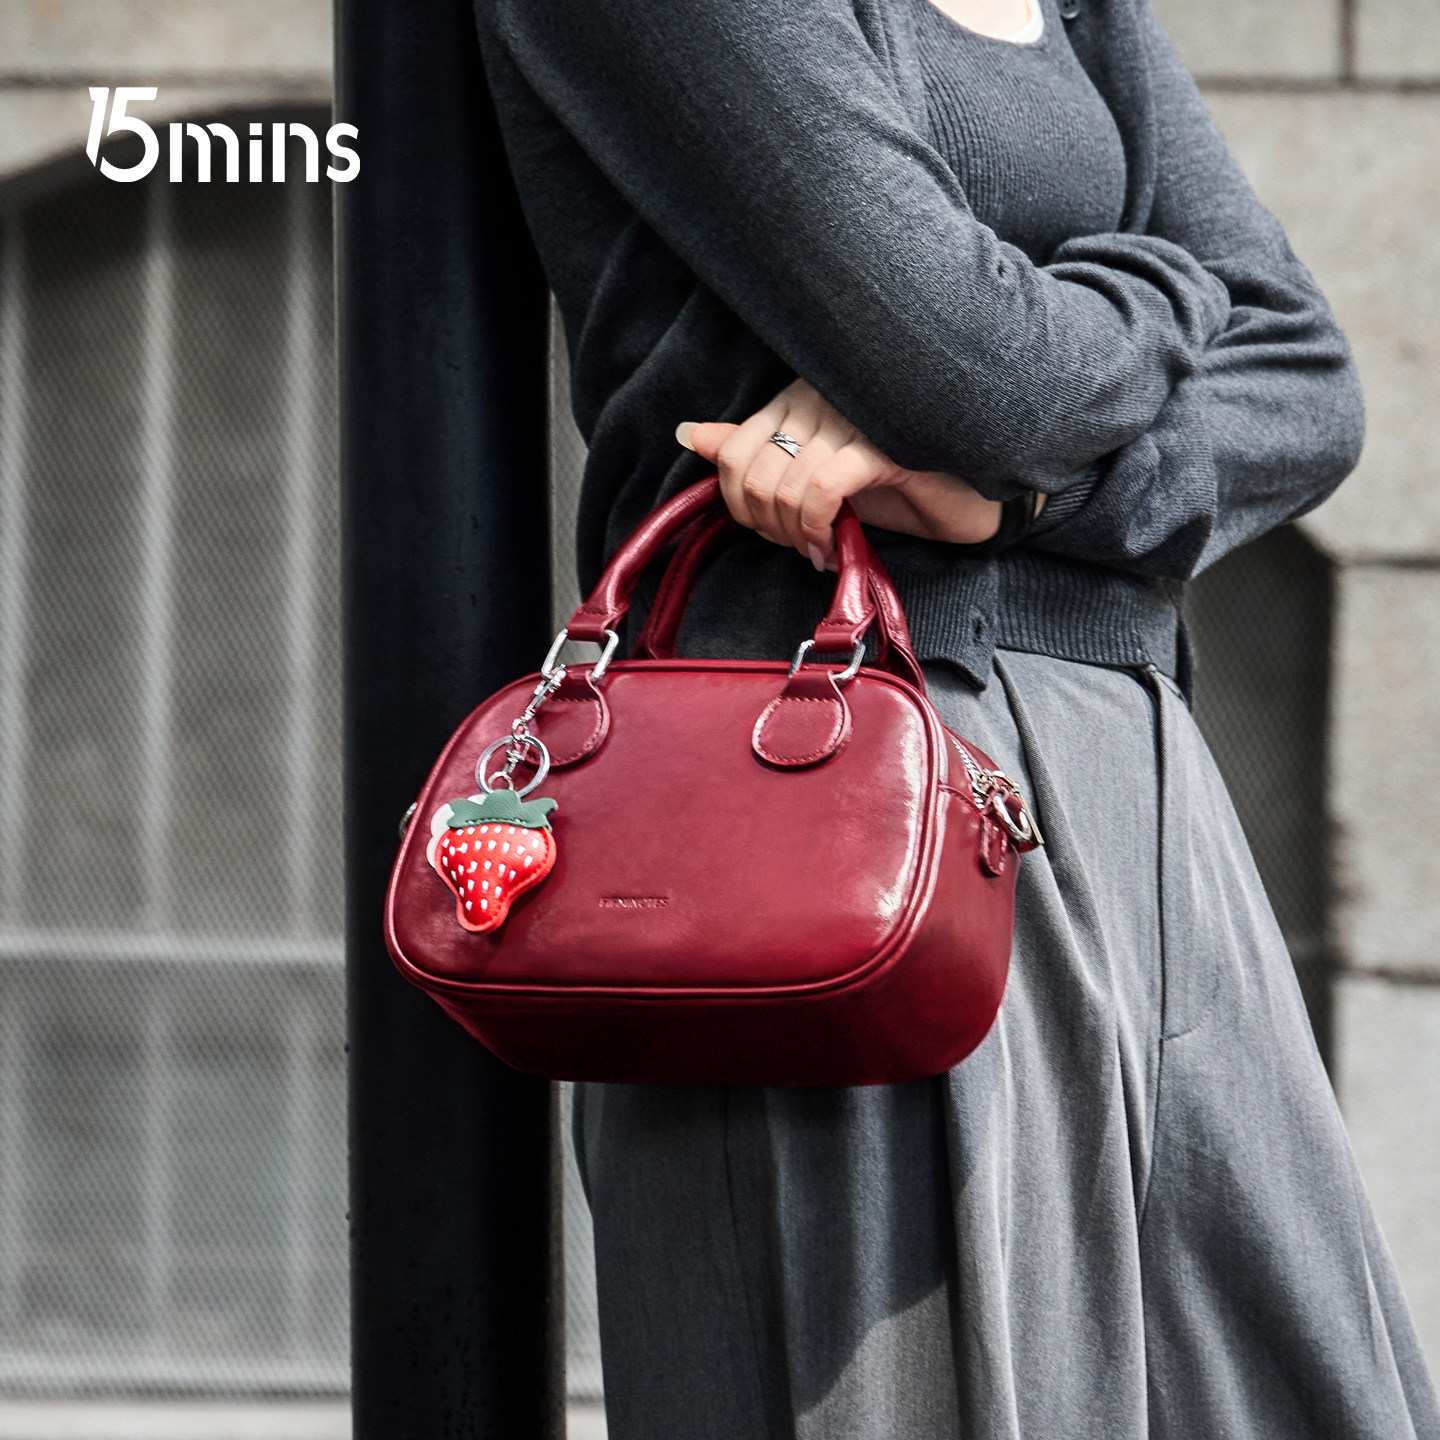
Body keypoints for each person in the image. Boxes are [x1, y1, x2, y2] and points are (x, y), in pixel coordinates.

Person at [470, 0, 1440, 1433]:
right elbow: (978, 371)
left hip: (1145, 795)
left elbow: (1305, 381)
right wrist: (1170, 283)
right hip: (819, 812)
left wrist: (1022, 495)